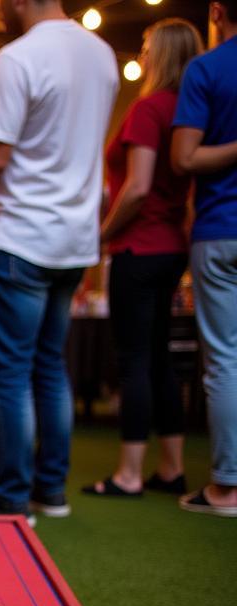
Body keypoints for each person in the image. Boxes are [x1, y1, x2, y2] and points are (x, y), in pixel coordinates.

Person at [0, 0, 118, 520]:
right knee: (49, 367)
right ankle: (49, 492)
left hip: (19, 240)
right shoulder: (101, 56)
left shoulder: (18, 57)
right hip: (73, 242)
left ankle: (11, 498)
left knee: (7, 375)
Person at [83, 19, 203, 501]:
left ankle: (129, 474)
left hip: (139, 247)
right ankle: (171, 468)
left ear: (162, 55)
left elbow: (135, 188)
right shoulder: (189, 110)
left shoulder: (149, 109)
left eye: (147, 47)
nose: (142, 54)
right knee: (157, 360)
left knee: (133, 360)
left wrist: (99, 237)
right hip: (172, 248)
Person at [172, 0, 237, 517]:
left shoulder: (209, 68)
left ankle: (227, 488)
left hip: (221, 230)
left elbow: (185, 158)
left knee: (224, 360)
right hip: (218, 232)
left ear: (217, 10)